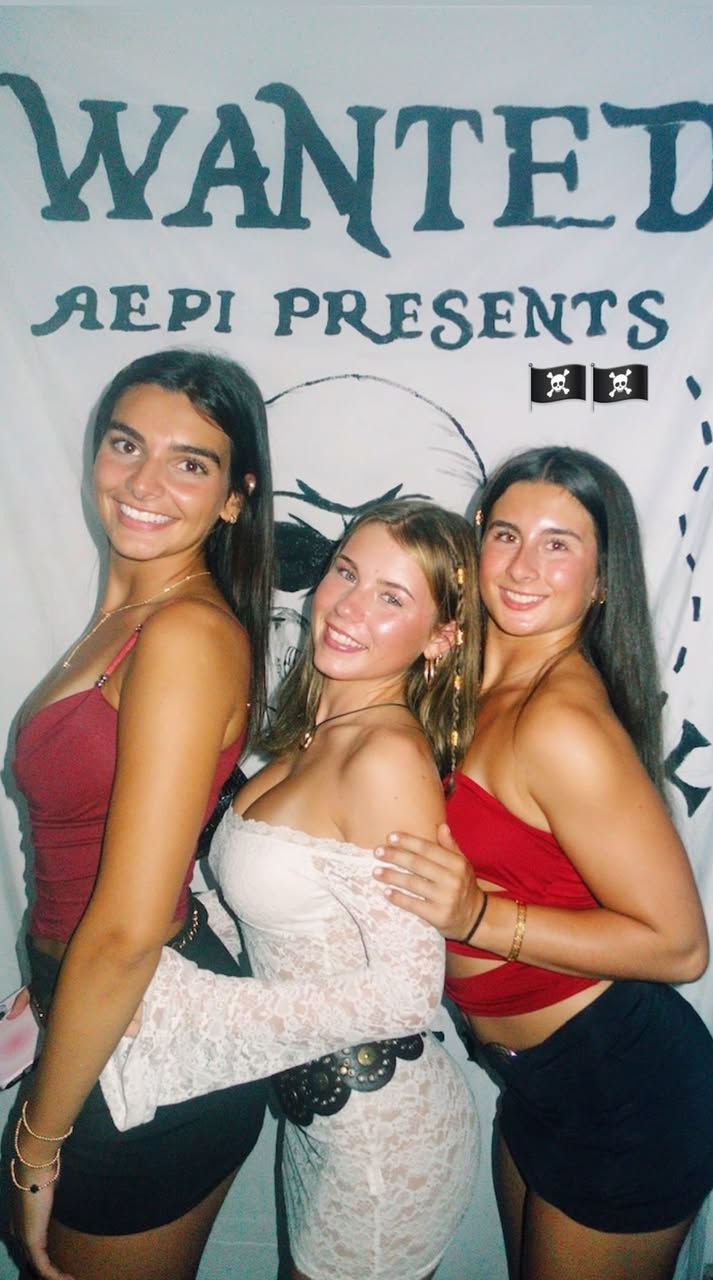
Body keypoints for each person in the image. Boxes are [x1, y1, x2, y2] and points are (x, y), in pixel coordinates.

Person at [101, 499, 483, 1280]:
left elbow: (408, 995)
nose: (348, 605)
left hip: (383, 1146)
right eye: (347, 572)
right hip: (322, 1117)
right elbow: (274, 917)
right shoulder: (311, 736)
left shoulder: (385, 758)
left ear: (440, 640)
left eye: (391, 596)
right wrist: (123, 954)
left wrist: (188, 1006)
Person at [374, 446, 713, 1280]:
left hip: (624, 1096)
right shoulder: (476, 682)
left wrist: (480, 918)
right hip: (537, 1083)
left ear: (601, 580)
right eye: (505, 535)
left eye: (558, 544)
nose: (523, 566)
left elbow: (680, 947)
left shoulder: (559, 720)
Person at [9, 348, 274, 1280]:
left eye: (189, 462)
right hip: (95, 1013)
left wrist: (34, 1148)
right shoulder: (127, 618)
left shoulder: (186, 633)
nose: (143, 482)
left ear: (235, 498)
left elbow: (125, 929)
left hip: (145, 1046)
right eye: (126, 445)